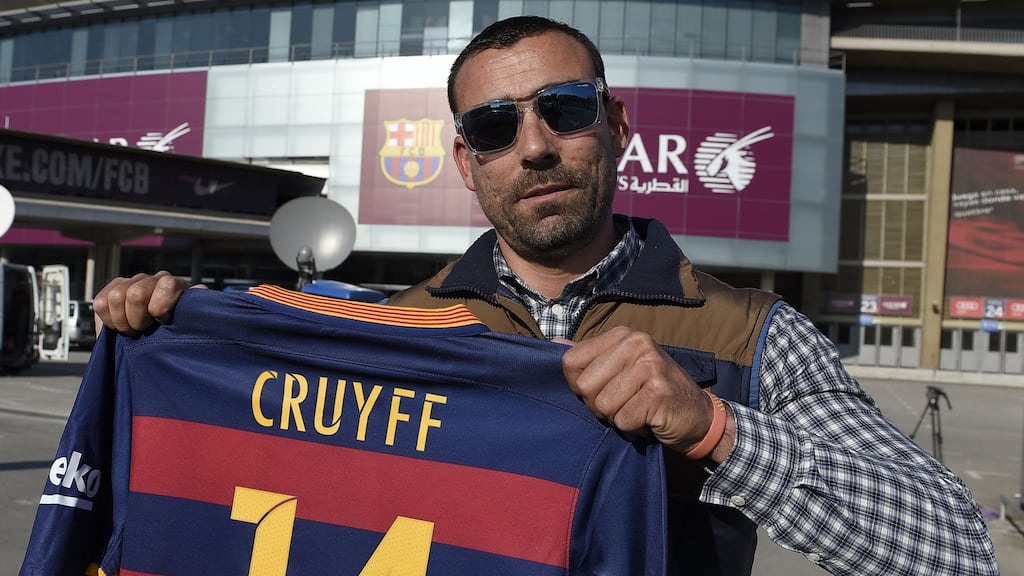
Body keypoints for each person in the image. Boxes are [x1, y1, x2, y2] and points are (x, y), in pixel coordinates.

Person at [95, 16, 997, 576]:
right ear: (465, 161)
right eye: (494, 126)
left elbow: (953, 552)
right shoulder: (398, 329)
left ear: (616, 124)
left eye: (562, 109)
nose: (533, 146)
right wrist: (172, 336)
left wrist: (714, 428)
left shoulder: (754, 336)